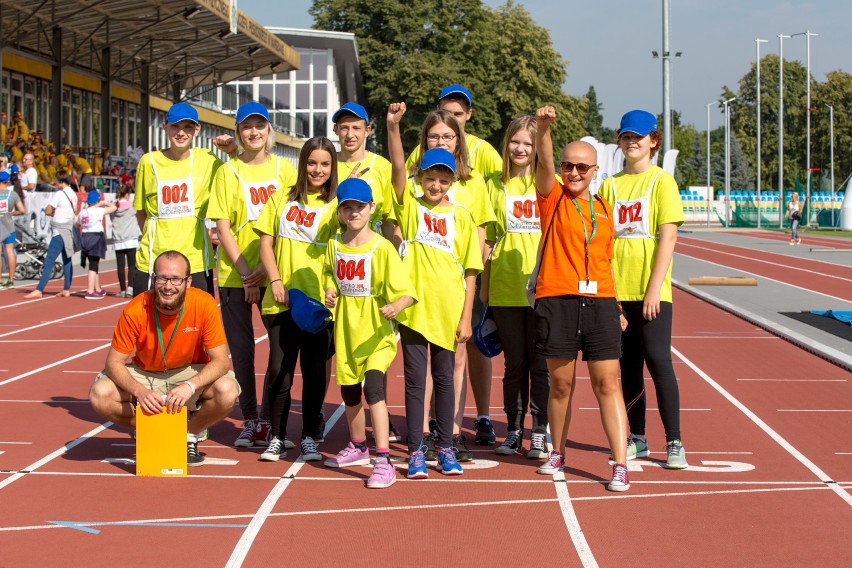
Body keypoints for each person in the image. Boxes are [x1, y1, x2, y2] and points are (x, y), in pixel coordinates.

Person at [532, 106, 630, 492]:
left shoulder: (604, 208)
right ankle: (557, 452)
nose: (574, 172)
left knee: (608, 385)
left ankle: (619, 464)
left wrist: (617, 306)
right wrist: (544, 129)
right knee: (561, 386)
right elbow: (544, 160)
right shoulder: (552, 197)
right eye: (568, 165)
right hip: (558, 300)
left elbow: (605, 262)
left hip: (601, 304)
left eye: (582, 168)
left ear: (595, 172)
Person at [387, 102, 482, 478]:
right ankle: (414, 450)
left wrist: (465, 318)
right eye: (430, 177)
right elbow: (397, 168)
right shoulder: (409, 206)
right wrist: (393, 128)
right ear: (420, 177)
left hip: (448, 310)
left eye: (443, 179)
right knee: (414, 381)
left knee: (445, 379)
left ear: (452, 181)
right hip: (414, 308)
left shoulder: (460, 216)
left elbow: (471, 273)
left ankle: (444, 448)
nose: (436, 185)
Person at [406, 86, 501, 451]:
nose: (443, 140)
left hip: (459, 282)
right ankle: (430, 429)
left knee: (457, 356)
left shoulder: (474, 180)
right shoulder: (418, 176)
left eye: (450, 134)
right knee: (424, 364)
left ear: (462, 134)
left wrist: (469, 281)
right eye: (435, 136)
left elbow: (479, 234)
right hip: (420, 282)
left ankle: (454, 431)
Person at [88, 250, 240, 467]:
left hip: (189, 370)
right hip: (145, 373)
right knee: (99, 394)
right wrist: (139, 392)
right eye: (162, 278)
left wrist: (190, 386)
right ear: (153, 279)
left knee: (227, 391)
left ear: (188, 281)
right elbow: (113, 362)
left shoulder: (203, 304)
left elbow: (221, 361)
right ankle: (150, 428)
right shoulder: (135, 309)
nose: (168, 286)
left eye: (176, 279)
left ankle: (189, 433)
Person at [597, 109, 687, 472]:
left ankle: (675, 441)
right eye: (625, 136)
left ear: (654, 140)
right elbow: (601, 242)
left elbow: (668, 237)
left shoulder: (662, 181)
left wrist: (653, 290)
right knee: (628, 365)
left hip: (651, 292)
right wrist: (610, 294)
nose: (631, 142)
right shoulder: (609, 185)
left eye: (639, 136)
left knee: (659, 361)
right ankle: (638, 437)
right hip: (617, 292)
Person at [208, 101, 298, 449]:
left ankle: (270, 417)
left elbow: (290, 223)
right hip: (235, 276)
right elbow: (223, 227)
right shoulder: (227, 172)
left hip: (274, 272)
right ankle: (250, 419)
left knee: (280, 352)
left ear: (269, 130)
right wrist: (247, 274)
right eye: (247, 127)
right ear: (238, 132)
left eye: (260, 125)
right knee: (242, 352)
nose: (254, 132)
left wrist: (265, 269)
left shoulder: (285, 171)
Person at [322, 178, 416, 488]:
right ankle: (358, 445)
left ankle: (384, 460)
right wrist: (329, 293)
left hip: (376, 332)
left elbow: (407, 293)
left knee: (373, 388)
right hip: (347, 332)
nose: (353, 213)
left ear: (371, 208)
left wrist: (396, 306)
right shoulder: (334, 246)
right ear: (339, 211)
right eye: (347, 207)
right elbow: (329, 279)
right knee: (349, 391)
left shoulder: (382, 247)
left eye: (359, 207)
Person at [254, 136, 340, 462]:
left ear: (332, 168)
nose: (317, 169)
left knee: (316, 372)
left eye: (325, 164)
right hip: (282, 299)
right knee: (279, 370)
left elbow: (341, 252)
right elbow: (265, 244)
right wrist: (275, 279)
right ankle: (277, 436)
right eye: (312, 162)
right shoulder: (280, 200)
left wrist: (333, 286)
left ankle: (307, 437)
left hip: (319, 305)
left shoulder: (335, 206)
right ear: (302, 163)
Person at [482, 115, 550, 459]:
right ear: (506, 144)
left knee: (540, 363)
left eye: (528, 143)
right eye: (515, 141)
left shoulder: (545, 184)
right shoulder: (494, 184)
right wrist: (484, 293)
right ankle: (513, 430)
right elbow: (488, 241)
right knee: (514, 364)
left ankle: (539, 430)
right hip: (505, 286)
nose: (521, 148)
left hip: (541, 286)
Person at [132, 102, 223, 296]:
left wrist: (232, 151)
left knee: (197, 324)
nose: (181, 133)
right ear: (165, 127)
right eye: (175, 126)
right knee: (146, 323)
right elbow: (141, 212)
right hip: (153, 260)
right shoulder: (149, 162)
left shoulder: (208, 160)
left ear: (197, 130)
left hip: (196, 261)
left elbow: (235, 178)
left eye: (188, 127)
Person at [24, 171, 77, 299]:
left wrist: (53, 212)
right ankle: (66, 288)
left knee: (49, 261)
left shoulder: (59, 193)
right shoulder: (73, 194)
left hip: (59, 231)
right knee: (67, 260)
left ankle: (39, 289)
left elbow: (48, 210)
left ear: (60, 181)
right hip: (68, 230)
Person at [79, 190, 117, 299]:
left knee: (93, 263)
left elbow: (77, 223)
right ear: (97, 201)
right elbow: (114, 208)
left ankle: (98, 288)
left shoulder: (83, 212)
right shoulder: (97, 211)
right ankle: (90, 290)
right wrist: (103, 203)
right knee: (93, 265)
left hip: (85, 236)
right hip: (95, 237)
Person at [109, 184, 142, 298]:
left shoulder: (114, 206)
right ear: (127, 194)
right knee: (132, 265)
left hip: (118, 239)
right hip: (131, 239)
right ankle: (130, 288)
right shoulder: (132, 206)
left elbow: (110, 215)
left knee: (120, 266)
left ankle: (122, 289)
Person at [0, 170, 26, 288]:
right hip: (9, 225)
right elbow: (22, 210)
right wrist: (11, 213)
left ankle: (0, 281)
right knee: (9, 252)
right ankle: (10, 280)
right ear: (7, 181)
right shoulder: (13, 194)